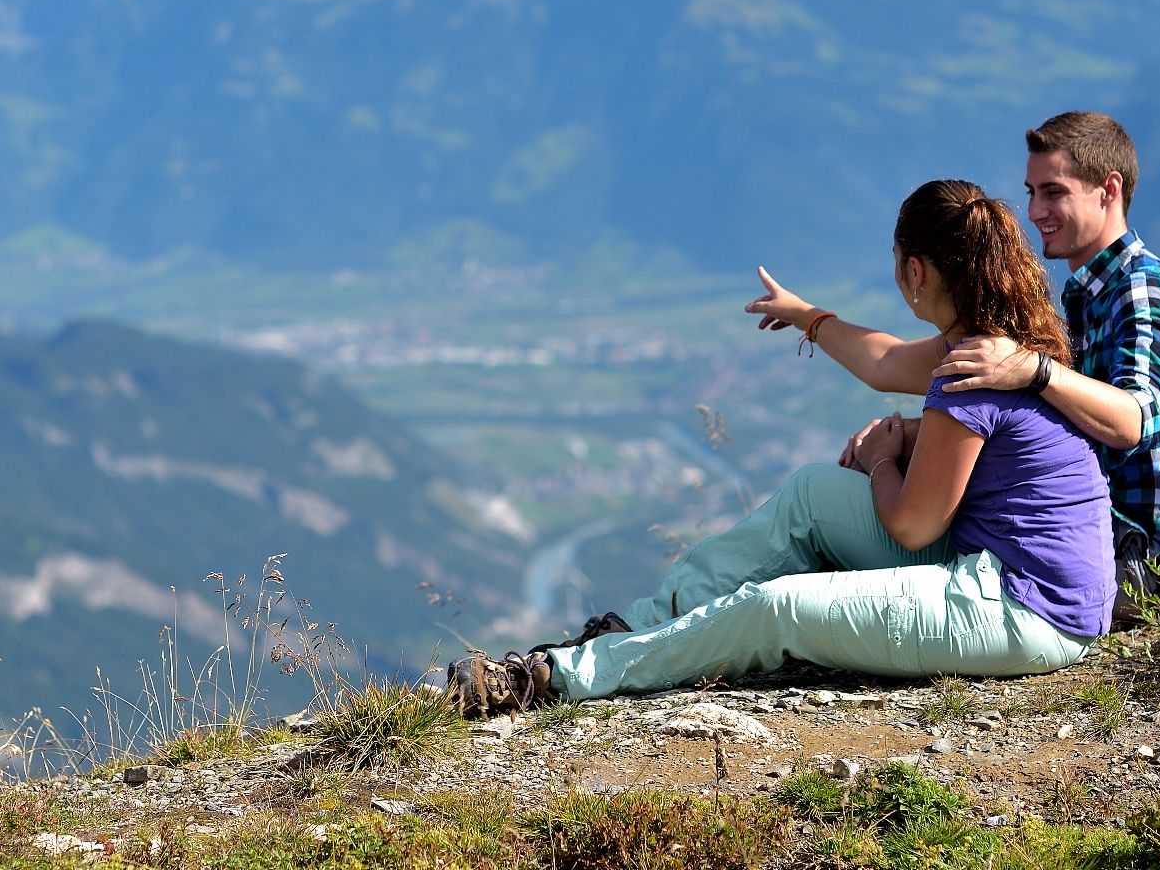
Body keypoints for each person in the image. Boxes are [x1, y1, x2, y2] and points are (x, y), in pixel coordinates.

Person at [445, 180, 1115, 718]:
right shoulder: (992, 342)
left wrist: (882, 459)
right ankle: (638, 628)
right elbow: (885, 363)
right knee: (810, 493)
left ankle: (555, 677)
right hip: (1008, 573)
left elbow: (913, 526)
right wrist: (808, 318)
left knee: (777, 609)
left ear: (914, 270)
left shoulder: (966, 373)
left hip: (1027, 609)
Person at [934, 112, 1160, 615]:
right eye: (1031, 192)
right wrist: (811, 319)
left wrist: (1035, 370)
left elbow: (1133, 420)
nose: (1034, 211)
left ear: (1108, 190)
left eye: (1053, 192)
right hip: (1108, 551)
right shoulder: (1087, 296)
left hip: (1149, 572)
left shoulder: (1143, 293)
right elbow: (891, 364)